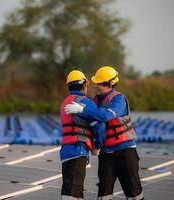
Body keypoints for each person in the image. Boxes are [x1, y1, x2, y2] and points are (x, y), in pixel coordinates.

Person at [65, 66, 144, 200]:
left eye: (100, 83)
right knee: (104, 194)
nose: (96, 85)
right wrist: (95, 145)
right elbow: (93, 122)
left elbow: (105, 116)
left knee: (134, 193)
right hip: (106, 155)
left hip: (126, 153)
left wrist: (82, 110)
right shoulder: (95, 99)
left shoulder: (119, 100)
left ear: (110, 84)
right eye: (96, 82)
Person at [60, 70, 105, 200]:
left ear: (69, 86)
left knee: (72, 191)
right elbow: (99, 126)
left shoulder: (64, 103)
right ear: (85, 84)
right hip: (78, 151)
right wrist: (97, 146)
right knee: (72, 194)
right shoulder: (86, 102)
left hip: (65, 152)